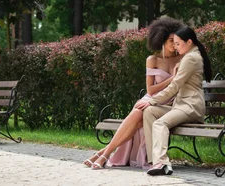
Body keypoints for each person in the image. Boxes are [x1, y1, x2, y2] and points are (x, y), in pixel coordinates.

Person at [83, 17, 185, 170]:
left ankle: (103, 153)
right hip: (151, 99)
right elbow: (150, 90)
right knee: (138, 114)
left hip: (168, 103)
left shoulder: (183, 58)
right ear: (161, 39)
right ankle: (105, 154)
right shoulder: (152, 59)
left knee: (137, 117)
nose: (175, 43)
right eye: (171, 40)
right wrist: (172, 78)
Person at [138, 26, 213, 176]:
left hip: (191, 106)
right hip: (181, 106)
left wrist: (153, 100)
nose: (176, 47)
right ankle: (155, 161)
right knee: (149, 112)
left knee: (159, 123)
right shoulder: (190, 56)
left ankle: (163, 163)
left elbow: (175, 86)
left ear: (189, 42)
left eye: (178, 43)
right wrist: (152, 104)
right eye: (174, 43)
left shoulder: (191, 58)